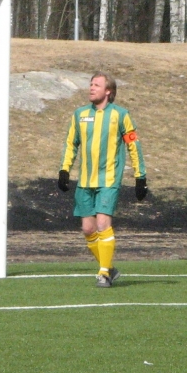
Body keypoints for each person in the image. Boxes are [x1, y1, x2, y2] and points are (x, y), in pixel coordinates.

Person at [58, 72, 147, 288]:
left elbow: (133, 145)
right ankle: (109, 267)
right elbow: (71, 144)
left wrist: (140, 176)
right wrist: (64, 170)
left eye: (96, 85)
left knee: (102, 224)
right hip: (85, 181)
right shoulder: (80, 114)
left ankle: (104, 274)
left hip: (108, 180)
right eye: (91, 84)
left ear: (108, 91)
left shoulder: (121, 115)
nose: (91, 88)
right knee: (88, 230)